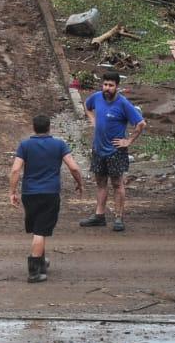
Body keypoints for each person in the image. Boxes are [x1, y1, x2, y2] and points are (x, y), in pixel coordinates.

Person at [10, 114, 84, 283]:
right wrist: (80, 183)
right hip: (50, 193)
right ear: (49, 127)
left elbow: (15, 170)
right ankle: (34, 271)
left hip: (29, 193)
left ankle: (41, 261)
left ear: (33, 127)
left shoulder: (25, 145)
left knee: (38, 228)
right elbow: (73, 167)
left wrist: (12, 192)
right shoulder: (59, 144)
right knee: (40, 231)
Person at [80, 72, 147, 232]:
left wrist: (128, 141)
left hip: (115, 151)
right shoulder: (96, 97)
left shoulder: (123, 104)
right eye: (105, 85)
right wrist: (92, 119)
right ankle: (99, 215)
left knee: (117, 184)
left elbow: (141, 124)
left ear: (117, 86)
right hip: (98, 149)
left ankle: (118, 217)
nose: (107, 88)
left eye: (110, 85)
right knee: (101, 183)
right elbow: (87, 106)